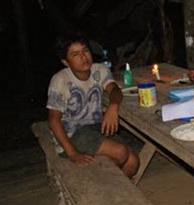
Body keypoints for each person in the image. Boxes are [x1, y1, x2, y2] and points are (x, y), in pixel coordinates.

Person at [46, 34, 139, 178]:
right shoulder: (61, 80)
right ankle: (105, 187)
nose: (83, 57)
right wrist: (72, 153)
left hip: (95, 128)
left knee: (132, 162)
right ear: (65, 62)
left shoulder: (99, 70)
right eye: (75, 54)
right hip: (72, 134)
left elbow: (114, 90)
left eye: (85, 51)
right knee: (120, 152)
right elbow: (53, 120)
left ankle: (109, 193)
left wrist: (113, 106)